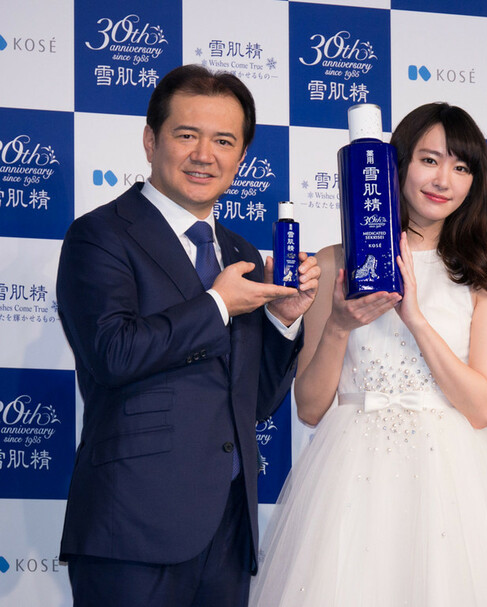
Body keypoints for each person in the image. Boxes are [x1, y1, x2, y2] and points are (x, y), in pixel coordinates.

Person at [249, 102, 487, 606]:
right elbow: (310, 408)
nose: (443, 179)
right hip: (348, 479)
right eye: (429, 160)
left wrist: (416, 319)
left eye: (461, 167)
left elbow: (483, 407)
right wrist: (339, 323)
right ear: (395, 164)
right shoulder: (336, 261)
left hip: (453, 480)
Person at [56, 64, 320, 607]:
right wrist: (218, 304)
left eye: (224, 141)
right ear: (150, 140)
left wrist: (282, 320)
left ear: (241, 158)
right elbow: (113, 353)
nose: (205, 155)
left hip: (227, 528)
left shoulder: (242, 253)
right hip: (131, 527)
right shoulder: (100, 235)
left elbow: (254, 402)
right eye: (186, 135)